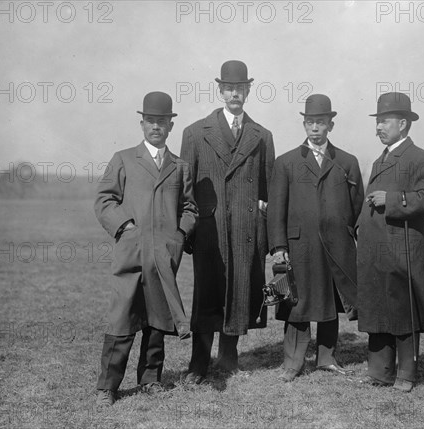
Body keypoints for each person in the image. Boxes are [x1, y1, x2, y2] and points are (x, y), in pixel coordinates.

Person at [94, 91, 198, 407]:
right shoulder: (123, 159)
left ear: (170, 126)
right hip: (131, 253)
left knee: (157, 317)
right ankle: (107, 387)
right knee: (122, 318)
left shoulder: (180, 166)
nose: (156, 127)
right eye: (151, 121)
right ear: (142, 124)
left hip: (163, 255)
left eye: (162, 122)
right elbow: (104, 200)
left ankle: (150, 380)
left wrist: (179, 234)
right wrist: (125, 227)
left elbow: (190, 207)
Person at [180, 60, 275, 384]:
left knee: (239, 290)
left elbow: (267, 189)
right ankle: (198, 363)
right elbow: (186, 189)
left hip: (246, 230)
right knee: (207, 293)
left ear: (248, 91)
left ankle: (229, 357)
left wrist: (261, 223)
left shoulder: (262, 136)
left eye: (241, 88)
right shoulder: (195, 133)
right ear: (221, 90)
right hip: (210, 230)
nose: (235, 93)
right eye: (230, 88)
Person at [268, 94, 364, 382]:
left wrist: (347, 234)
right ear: (304, 124)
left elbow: (357, 204)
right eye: (310, 122)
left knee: (329, 302)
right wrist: (279, 246)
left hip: (336, 247)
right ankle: (293, 363)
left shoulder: (347, 162)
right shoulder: (286, 163)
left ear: (330, 125)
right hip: (299, 247)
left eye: (320, 122)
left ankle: (327, 358)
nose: (314, 128)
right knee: (296, 304)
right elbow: (276, 210)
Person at [356, 92, 424, 392]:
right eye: (377, 121)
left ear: (403, 124)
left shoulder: (420, 158)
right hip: (375, 250)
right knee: (378, 307)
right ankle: (379, 373)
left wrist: (392, 199)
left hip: (401, 248)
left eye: (384, 121)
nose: (378, 127)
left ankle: (406, 374)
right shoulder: (383, 158)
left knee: (403, 310)